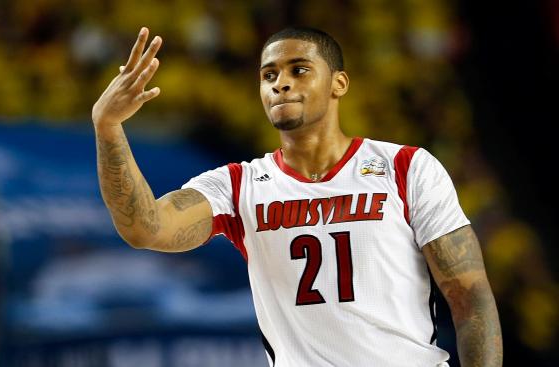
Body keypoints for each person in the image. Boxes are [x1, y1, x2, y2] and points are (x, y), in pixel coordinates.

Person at [92, 26, 503, 367]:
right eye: (268, 75)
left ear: (338, 83)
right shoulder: (238, 185)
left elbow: (469, 295)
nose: (281, 82)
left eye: (299, 69)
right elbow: (146, 228)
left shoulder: (406, 167)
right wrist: (109, 128)